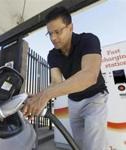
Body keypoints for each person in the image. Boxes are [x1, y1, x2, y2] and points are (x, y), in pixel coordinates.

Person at [23, 6, 108, 150]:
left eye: (57, 32)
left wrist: (46, 95)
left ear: (70, 27)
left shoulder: (88, 40)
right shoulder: (53, 55)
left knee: (94, 146)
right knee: (78, 144)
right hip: (74, 101)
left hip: (95, 98)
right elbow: (56, 82)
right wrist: (38, 97)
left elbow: (89, 76)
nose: (53, 38)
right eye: (49, 34)